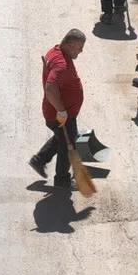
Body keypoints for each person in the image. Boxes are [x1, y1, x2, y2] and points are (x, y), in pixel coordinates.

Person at [29, 29, 86, 193]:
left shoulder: (56, 51)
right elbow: (50, 87)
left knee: (63, 137)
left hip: (62, 112)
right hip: (60, 114)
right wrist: (61, 110)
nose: (81, 51)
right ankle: (62, 180)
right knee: (68, 145)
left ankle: (39, 160)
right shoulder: (61, 64)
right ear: (70, 44)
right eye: (79, 48)